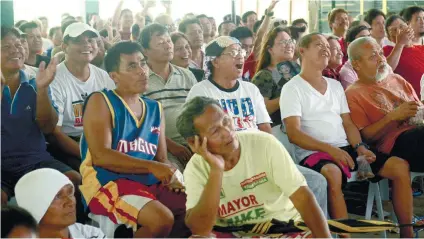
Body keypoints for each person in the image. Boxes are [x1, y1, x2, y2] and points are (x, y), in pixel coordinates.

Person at [280, 33, 414, 238]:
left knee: (399, 166)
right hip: (315, 152)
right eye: (318, 45)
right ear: (302, 51)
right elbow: (293, 134)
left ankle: (407, 233)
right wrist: (330, 149)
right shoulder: (292, 88)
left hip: (345, 148)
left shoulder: (334, 86)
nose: (326, 48)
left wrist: (360, 146)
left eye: (328, 45)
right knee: (332, 173)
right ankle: (345, 236)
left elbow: (348, 123)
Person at [187, 37, 329, 217]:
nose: (240, 57)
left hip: (261, 155)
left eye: (241, 52)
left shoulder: (250, 89)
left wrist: (277, 156)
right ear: (215, 61)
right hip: (229, 160)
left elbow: (265, 129)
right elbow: (201, 136)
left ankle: (316, 234)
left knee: (315, 181)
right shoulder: (201, 91)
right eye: (233, 53)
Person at [177, 96, 332, 238]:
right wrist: (216, 170)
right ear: (194, 142)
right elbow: (200, 229)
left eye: (226, 121)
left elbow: (303, 198)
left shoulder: (264, 144)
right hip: (235, 234)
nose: (227, 132)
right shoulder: (195, 168)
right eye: (215, 131)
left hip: (283, 229)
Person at [80, 41, 188, 237]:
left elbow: (161, 159)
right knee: (161, 219)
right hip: (107, 182)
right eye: (132, 66)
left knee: (194, 207)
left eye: (143, 63)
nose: (142, 71)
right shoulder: (101, 101)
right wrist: (151, 167)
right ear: (114, 76)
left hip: (148, 182)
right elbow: (101, 156)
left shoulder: (155, 108)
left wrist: (173, 178)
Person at [1, 25, 81, 206]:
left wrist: (42, 89)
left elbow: (48, 127)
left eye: (19, 44)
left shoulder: (35, 80)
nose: (16, 50)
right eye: (6, 47)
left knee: (71, 180)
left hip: (36, 161)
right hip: (1, 167)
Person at [346, 36, 424, 172]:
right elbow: (366, 137)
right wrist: (392, 117)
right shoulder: (352, 94)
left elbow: (418, 110)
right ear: (357, 65)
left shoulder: (397, 79)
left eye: (381, 53)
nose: (382, 59)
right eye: (373, 57)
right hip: (393, 146)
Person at [48, 22, 115, 172]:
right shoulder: (55, 78)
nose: (87, 45)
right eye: (79, 41)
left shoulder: (103, 77)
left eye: (91, 40)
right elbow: (55, 132)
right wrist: (90, 155)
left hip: (103, 140)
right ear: (64, 47)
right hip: (70, 144)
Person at [139, 23, 198, 171]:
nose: (168, 46)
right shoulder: (141, 79)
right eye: (160, 43)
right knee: (175, 178)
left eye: (168, 41)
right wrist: (171, 145)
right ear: (145, 51)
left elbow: (198, 111)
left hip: (194, 142)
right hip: (159, 146)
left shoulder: (187, 75)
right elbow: (141, 124)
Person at [15, 169, 105, 238]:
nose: (71, 202)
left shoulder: (92, 235)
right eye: (57, 196)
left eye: (70, 192)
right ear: (34, 206)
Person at [252, 26, 299, 127]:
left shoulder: (296, 71)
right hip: (278, 132)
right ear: (270, 49)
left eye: (290, 41)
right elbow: (262, 109)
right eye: (283, 42)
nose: (289, 45)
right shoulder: (264, 75)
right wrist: (289, 95)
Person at [384, 15, 424, 99]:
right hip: (409, 102)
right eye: (394, 30)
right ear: (389, 37)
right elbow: (386, 70)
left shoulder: (422, 48)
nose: (399, 32)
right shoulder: (387, 50)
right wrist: (400, 43)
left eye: (402, 27)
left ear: (409, 27)